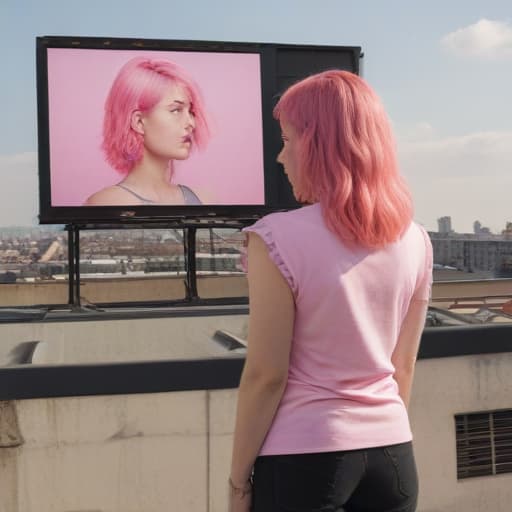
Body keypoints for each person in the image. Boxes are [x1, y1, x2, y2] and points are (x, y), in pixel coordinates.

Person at [229, 70, 433, 512]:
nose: (281, 157)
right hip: (394, 459)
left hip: (304, 460)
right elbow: (404, 368)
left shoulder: (274, 238)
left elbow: (266, 376)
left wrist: (238, 481)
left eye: (287, 140)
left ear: (318, 143)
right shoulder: (416, 238)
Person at [84, 56, 209, 206]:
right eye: (176, 110)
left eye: (191, 111)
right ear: (138, 122)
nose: (191, 123)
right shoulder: (106, 203)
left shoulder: (204, 199)